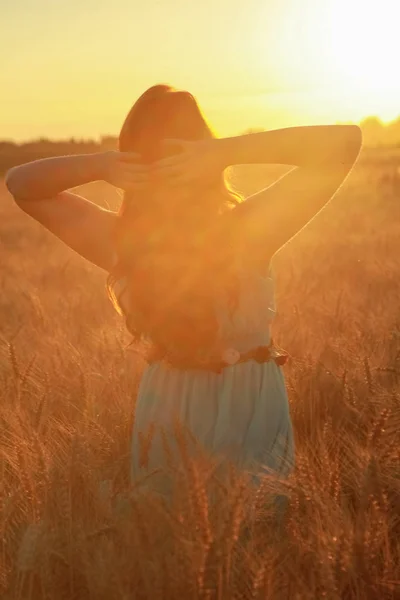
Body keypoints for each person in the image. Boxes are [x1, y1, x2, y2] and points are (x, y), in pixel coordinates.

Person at [5, 84, 362, 496]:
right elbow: (19, 183)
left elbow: (22, 184)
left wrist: (103, 165)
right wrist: (218, 153)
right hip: (241, 402)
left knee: (178, 540)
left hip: (177, 404)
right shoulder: (243, 231)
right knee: (242, 541)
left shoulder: (128, 241)